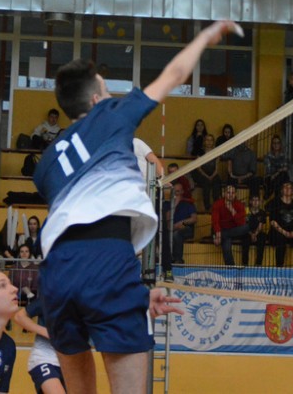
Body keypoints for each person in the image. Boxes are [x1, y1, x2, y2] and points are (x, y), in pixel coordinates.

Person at [31, 20, 236, 394]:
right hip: (108, 259)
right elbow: (173, 75)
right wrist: (205, 37)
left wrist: (137, 295)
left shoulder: (46, 163)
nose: (112, 95)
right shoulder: (110, 115)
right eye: (107, 89)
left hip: (56, 274)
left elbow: (76, 235)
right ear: (96, 100)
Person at [13, 297, 67, 394]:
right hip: (44, 358)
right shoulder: (49, 298)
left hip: (70, 362)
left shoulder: (84, 303)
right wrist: (46, 332)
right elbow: (19, 317)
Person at [268, 180, 293, 268]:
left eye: (290, 187)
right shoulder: (275, 202)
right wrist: (284, 232)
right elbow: (272, 222)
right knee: (281, 241)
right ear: (281, 190)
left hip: (292, 231)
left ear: (292, 191)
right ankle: (279, 268)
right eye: (285, 187)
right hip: (277, 231)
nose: (287, 189)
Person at [211, 184, 252, 266]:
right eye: (228, 192)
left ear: (235, 194)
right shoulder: (217, 204)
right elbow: (215, 222)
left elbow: (241, 223)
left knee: (247, 227)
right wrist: (218, 235)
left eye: (233, 193)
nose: (230, 195)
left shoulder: (239, 204)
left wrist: (232, 210)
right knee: (226, 245)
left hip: (234, 231)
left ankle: (224, 235)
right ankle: (231, 269)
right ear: (224, 193)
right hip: (221, 230)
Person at [167, 182, 197, 265]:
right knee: (166, 234)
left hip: (186, 228)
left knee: (176, 234)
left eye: (178, 191)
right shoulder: (169, 204)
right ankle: (167, 259)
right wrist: (175, 204)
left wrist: (182, 222)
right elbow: (167, 219)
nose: (176, 194)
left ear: (182, 192)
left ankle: (178, 260)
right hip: (172, 227)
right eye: (174, 191)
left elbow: (194, 219)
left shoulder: (188, 203)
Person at [191, 133, 220, 211]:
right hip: (202, 173)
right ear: (204, 141)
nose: (209, 142)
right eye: (207, 140)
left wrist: (212, 176)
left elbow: (216, 169)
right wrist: (207, 176)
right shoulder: (200, 152)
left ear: (213, 142)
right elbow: (199, 168)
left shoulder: (216, 152)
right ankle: (207, 207)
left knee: (217, 183)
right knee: (206, 183)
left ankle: (216, 206)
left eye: (211, 140)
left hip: (213, 173)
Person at [245, 194, 270, 267]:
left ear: (259, 202)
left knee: (262, 239)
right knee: (245, 240)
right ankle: (245, 264)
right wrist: (251, 234)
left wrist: (255, 234)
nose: (255, 202)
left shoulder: (262, 212)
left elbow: (260, 226)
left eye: (257, 200)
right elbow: (244, 225)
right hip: (247, 232)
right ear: (250, 201)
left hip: (258, 232)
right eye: (254, 200)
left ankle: (258, 264)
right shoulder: (246, 211)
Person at [262, 134, 290, 200]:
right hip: (270, 178)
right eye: (274, 143)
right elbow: (269, 171)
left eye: (278, 143)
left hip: (276, 178)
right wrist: (280, 169)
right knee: (281, 177)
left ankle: (269, 191)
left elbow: (286, 168)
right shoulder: (268, 156)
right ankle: (278, 200)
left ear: (280, 144)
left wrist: (276, 173)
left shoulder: (284, 156)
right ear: (272, 145)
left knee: (283, 175)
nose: (276, 145)